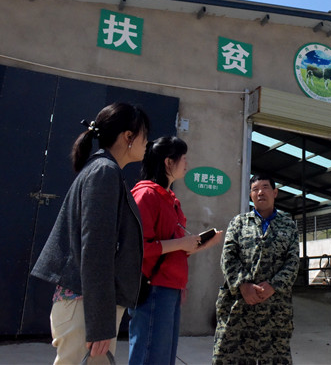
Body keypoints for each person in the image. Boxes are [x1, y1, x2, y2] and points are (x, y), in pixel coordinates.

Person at [31, 102, 150, 364]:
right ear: (128, 137)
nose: (147, 142)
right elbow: (96, 249)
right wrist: (100, 324)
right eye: (144, 134)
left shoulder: (103, 170)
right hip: (85, 308)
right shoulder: (105, 172)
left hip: (86, 306)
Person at [128, 136, 224, 365]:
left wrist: (199, 244)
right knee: (151, 355)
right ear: (168, 163)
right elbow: (138, 246)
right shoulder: (146, 195)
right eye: (183, 158)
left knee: (163, 356)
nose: (187, 163)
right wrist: (182, 244)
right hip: (154, 287)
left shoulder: (169, 199)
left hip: (170, 287)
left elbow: (171, 248)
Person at [212, 174, 300, 364]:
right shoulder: (239, 223)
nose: (260, 192)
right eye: (255, 189)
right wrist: (243, 285)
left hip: (275, 309)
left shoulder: (289, 226)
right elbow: (228, 257)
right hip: (239, 308)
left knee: (274, 357)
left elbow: (293, 262)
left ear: (275, 192)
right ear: (251, 195)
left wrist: (273, 286)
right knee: (230, 357)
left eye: (265, 187)